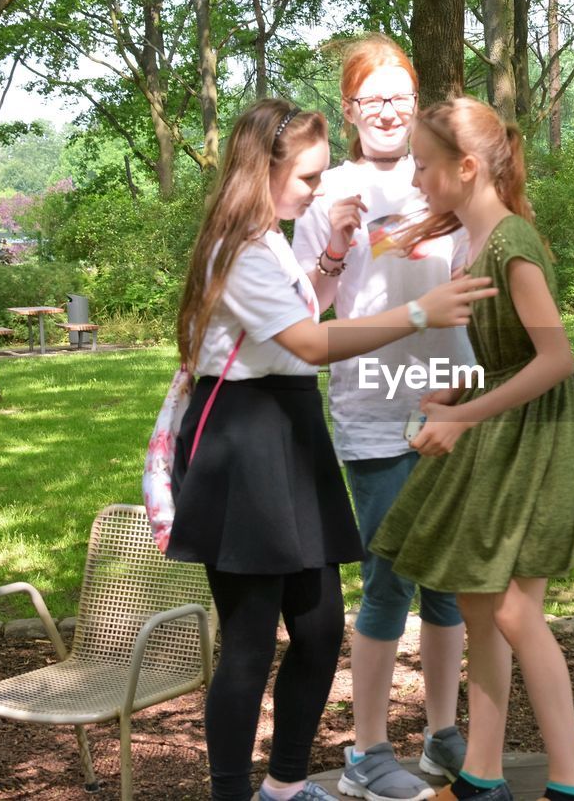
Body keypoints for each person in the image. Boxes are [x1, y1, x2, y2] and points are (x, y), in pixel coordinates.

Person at [167, 98, 495, 801]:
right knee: (251, 643)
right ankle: (234, 795)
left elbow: (300, 315)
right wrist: (416, 313)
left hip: (289, 431)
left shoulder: (271, 236)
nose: (317, 191)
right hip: (245, 442)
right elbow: (311, 344)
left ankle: (285, 788)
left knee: (318, 630)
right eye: (309, 178)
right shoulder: (241, 246)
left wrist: (336, 254)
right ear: (265, 170)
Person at [370, 97, 574, 801]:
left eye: (424, 165)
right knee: (477, 605)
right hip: (504, 427)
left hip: (542, 435)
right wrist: (458, 394)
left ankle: (571, 784)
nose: (414, 180)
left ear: (466, 168)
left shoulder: (512, 245)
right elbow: (509, 357)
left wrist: (467, 420)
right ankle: (482, 775)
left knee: (513, 612)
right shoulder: (475, 244)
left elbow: (555, 359)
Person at [292, 33, 471, 801]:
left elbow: (480, 277)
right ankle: (367, 751)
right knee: (389, 583)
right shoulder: (325, 190)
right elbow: (304, 317)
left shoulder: (450, 180)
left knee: (450, 586)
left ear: (418, 99)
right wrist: (334, 247)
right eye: (374, 98)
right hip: (373, 411)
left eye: (402, 94)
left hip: (454, 398)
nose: (390, 110)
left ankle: (441, 734)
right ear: (351, 108)